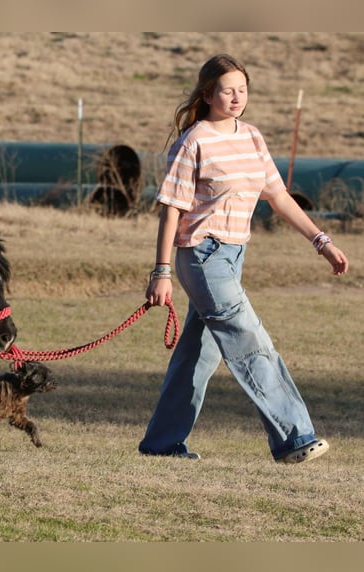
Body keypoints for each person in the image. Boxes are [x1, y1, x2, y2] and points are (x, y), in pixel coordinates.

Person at [140, 54, 349, 463]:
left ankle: (162, 443)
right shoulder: (194, 141)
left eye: (242, 89)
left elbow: (278, 196)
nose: (236, 97)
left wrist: (321, 241)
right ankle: (294, 437)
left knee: (198, 356)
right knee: (251, 340)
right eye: (227, 90)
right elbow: (172, 210)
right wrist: (161, 271)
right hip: (202, 256)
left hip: (234, 256)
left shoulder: (252, 136)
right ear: (207, 93)